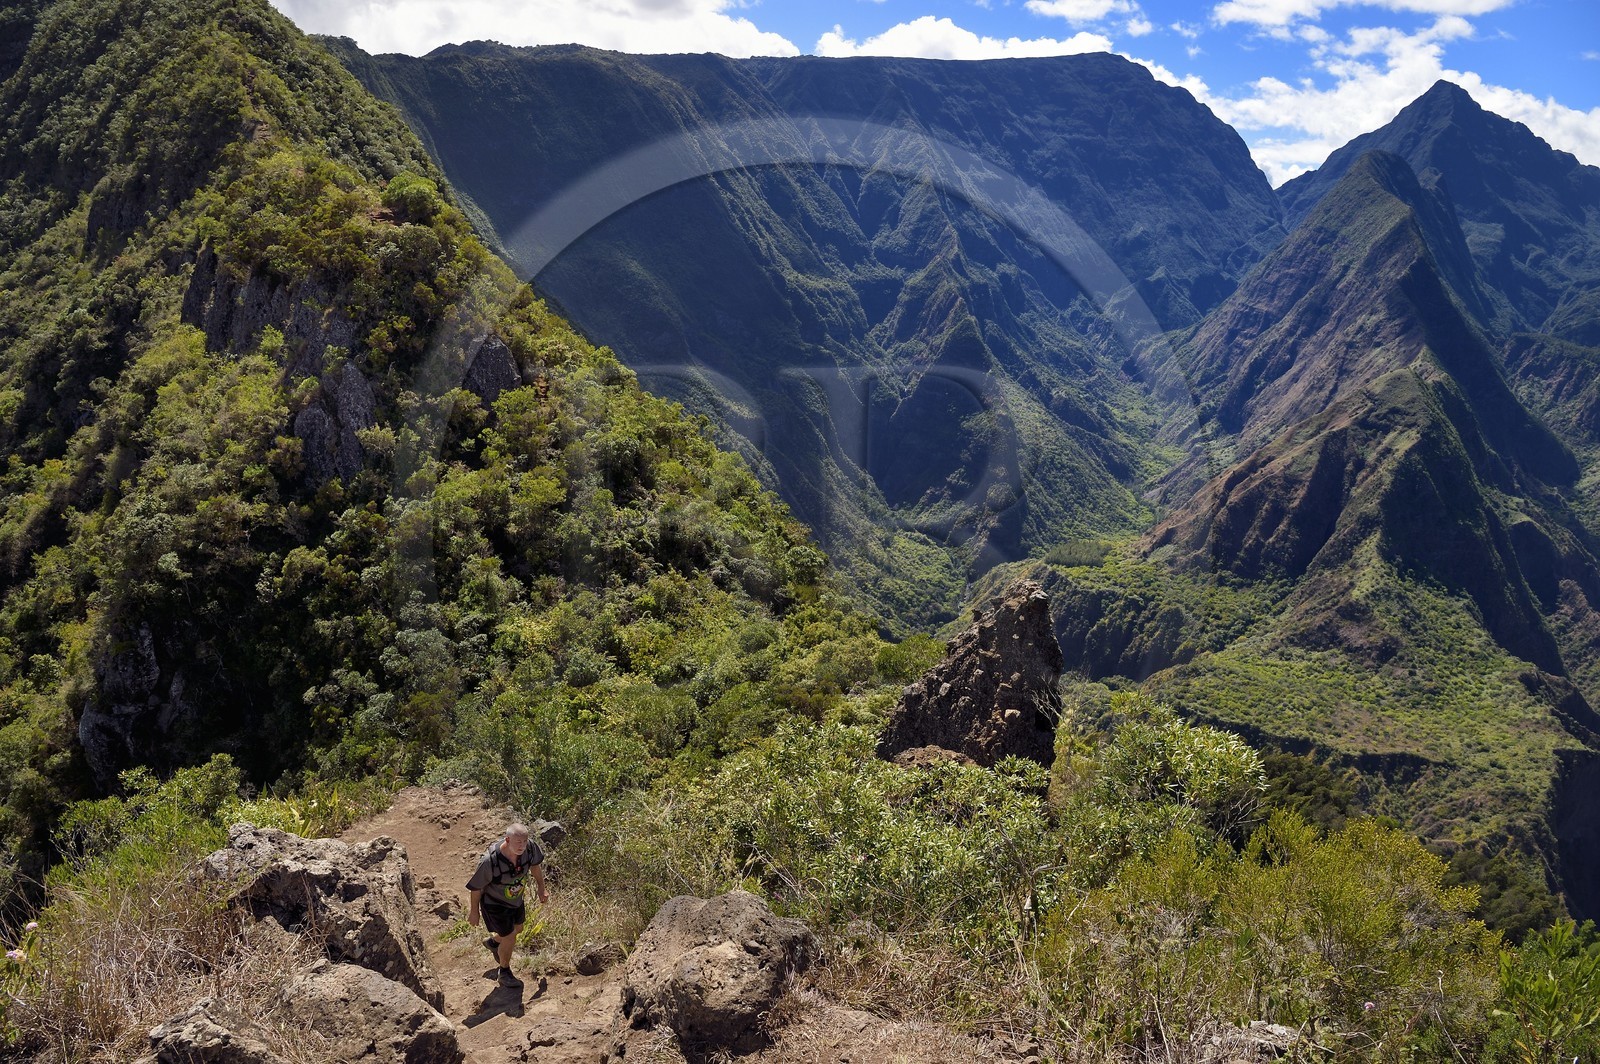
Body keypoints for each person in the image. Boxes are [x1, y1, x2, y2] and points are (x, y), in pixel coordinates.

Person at [466, 822, 549, 986]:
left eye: (524, 841)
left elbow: (535, 867)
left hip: (515, 900)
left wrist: (541, 888)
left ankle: (493, 942)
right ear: (507, 840)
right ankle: (504, 972)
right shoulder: (490, 862)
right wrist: (474, 912)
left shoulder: (530, 849)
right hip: (494, 904)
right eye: (518, 842)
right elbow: (476, 888)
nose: (522, 846)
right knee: (510, 935)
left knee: (518, 929)